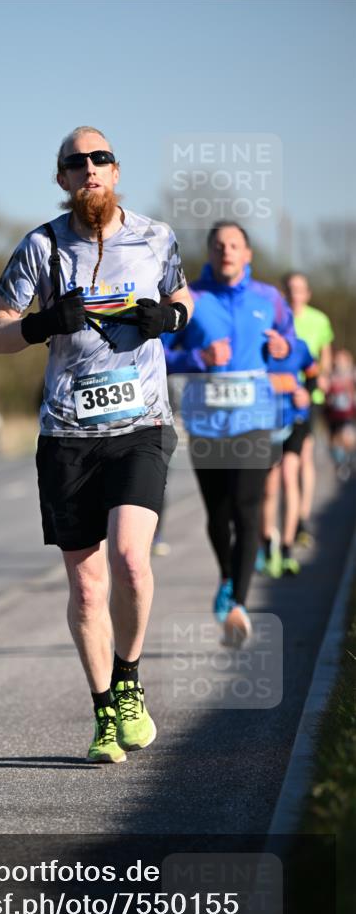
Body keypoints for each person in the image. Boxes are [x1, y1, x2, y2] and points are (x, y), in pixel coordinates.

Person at [0, 126, 193, 763]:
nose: (90, 169)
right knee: (88, 588)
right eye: (77, 163)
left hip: (141, 426)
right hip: (68, 436)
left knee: (131, 559)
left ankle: (129, 682)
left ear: (116, 171)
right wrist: (44, 322)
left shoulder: (156, 237)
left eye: (100, 159)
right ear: (63, 179)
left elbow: (182, 295)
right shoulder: (41, 247)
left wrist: (171, 317)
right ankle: (106, 713)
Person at [164, 222, 296, 646]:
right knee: (218, 514)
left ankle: (237, 602)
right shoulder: (192, 299)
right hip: (206, 423)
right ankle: (226, 576)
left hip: (254, 420)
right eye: (219, 245)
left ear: (248, 254)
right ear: (209, 252)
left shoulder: (269, 299)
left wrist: (286, 350)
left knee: (247, 506)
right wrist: (198, 357)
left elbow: (296, 348)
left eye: (235, 245)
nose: (226, 251)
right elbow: (160, 353)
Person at [281, 272, 334, 547]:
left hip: (308, 394)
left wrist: (322, 376)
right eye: (290, 289)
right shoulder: (279, 317)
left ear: (307, 293)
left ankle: (302, 518)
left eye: (299, 289)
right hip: (280, 395)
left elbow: (325, 355)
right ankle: (286, 518)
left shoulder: (319, 320)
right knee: (283, 465)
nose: (294, 294)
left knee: (304, 457)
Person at [260, 341, 318, 577]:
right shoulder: (257, 344)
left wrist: (307, 392)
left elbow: (313, 373)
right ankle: (267, 546)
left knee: (289, 476)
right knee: (270, 487)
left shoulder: (300, 346)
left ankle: (286, 549)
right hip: (266, 422)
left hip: (295, 420)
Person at [324, 349, 356, 480]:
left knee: (347, 438)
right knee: (335, 442)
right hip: (333, 415)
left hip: (348, 414)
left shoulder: (353, 374)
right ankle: (340, 463)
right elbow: (326, 393)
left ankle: (348, 460)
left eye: (342, 360)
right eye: (337, 360)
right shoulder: (331, 376)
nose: (339, 362)